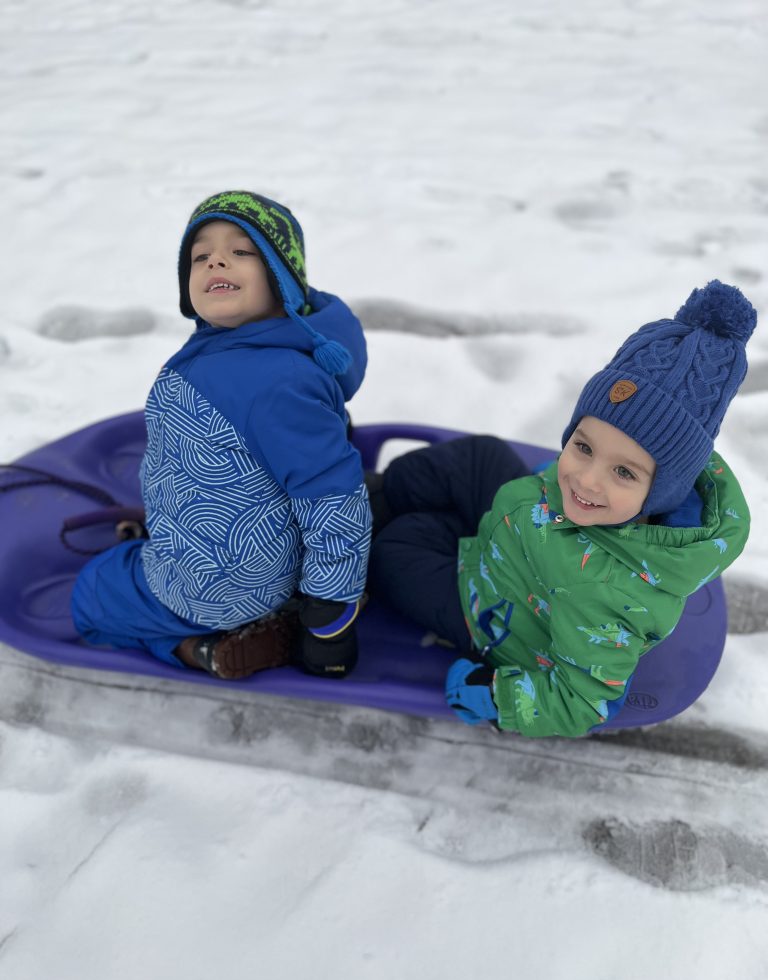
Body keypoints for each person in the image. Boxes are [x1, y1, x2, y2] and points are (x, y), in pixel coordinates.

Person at [367, 280, 756, 736]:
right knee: (480, 456)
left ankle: (352, 538)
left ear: (664, 491)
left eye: (624, 472)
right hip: (522, 534)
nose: (588, 479)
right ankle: (370, 499)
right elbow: (592, 471)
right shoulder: (606, 498)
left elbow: (585, 702)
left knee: (395, 549)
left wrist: (494, 695)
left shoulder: (608, 599)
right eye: (583, 446)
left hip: (497, 608)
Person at [72, 190, 371, 679]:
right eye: (200, 256)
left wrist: (330, 617)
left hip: (217, 585)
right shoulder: (288, 352)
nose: (216, 261)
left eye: (240, 251)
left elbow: (334, 499)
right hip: (256, 553)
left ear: (282, 279)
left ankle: (197, 649)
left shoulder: (266, 383)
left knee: (93, 589)